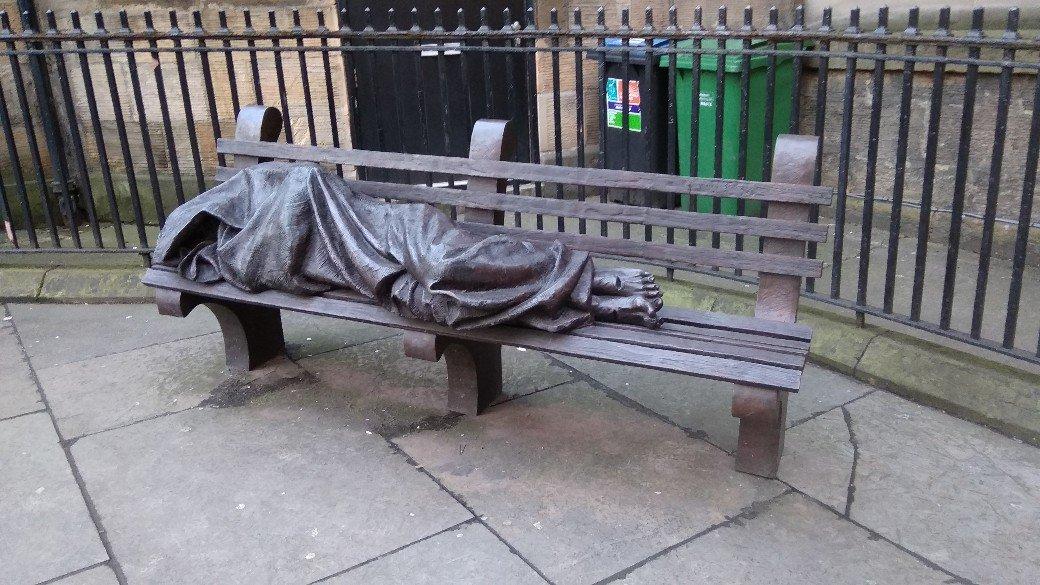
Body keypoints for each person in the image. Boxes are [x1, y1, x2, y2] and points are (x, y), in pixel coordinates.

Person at [153, 162, 663, 332]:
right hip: (365, 277)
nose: (197, 250)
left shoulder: (260, 189)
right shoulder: (238, 255)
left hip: (390, 232)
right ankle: (600, 304)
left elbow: (309, 184)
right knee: (444, 306)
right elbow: (270, 264)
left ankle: (585, 275)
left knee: (448, 265)